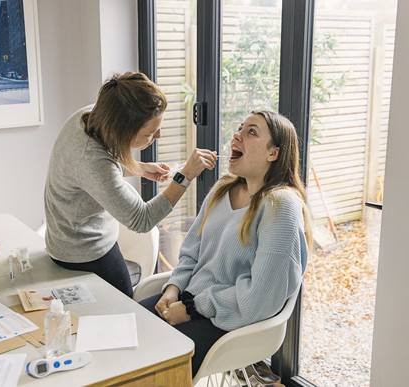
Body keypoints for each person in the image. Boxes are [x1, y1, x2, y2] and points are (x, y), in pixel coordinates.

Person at [139, 110, 313, 377]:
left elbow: (259, 298)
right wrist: (173, 288)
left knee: (149, 367)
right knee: (126, 327)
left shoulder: (281, 207)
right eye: (240, 128)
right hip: (188, 302)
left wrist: (191, 309)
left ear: (273, 153)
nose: (237, 135)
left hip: (228, 322)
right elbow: (191, 251)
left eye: (251, 132)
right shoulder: (223, 188)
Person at [44, 71, 218, 297]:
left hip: (63, 238)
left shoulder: (91, 115)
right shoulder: (91, 159)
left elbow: (91, 174)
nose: (159, 136)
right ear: (123, 130)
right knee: (124, 312)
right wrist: (184, 176)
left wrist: (140, 167)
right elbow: (141, 220)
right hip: (82, 252)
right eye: (151, 132)